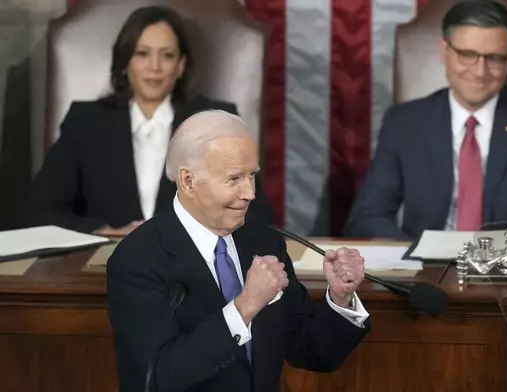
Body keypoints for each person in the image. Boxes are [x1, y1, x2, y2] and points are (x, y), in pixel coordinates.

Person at [107, 110, 370, 392]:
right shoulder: (137, 259)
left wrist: (340, 298)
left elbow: (310, 351)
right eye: (234, 179)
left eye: (252, 176)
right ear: (188, 181)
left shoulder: (265, 243)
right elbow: (157, 379)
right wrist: (244, 308)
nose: (250, 193)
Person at [345, 0, 507, 243]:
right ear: (444, 52)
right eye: (467, 55)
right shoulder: (404, 123)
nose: (480, 72)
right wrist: (417, 253)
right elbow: (367, 218)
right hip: (423, 272)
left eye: (494, 58)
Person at [25, 6, 273, 236]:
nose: (154, 67)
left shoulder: (214, 121)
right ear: (125, 62)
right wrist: (104, 231)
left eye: (166, 56)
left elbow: (256, 213)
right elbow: (40, 211)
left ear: (180, 66)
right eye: (142, 54)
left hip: (193, 265)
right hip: (106, 263)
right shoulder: (86, 122)